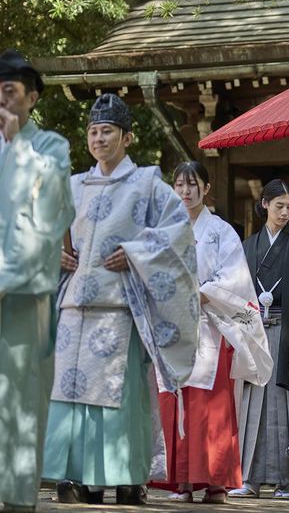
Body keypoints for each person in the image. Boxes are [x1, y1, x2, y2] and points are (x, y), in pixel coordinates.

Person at [42, 93, 200, 506]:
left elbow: (178, 232)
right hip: (74, 306)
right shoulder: (73, 186)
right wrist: (52, 253)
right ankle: (74, 476)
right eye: (93, 131)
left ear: (127, 137)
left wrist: (136, 251)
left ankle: (130, 477)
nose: (98, 138)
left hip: (120, 307)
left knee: (122, 397)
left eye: (107, 131)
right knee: (70, 394)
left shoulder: (148, 183)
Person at [154, 161, 272, 503]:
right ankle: (183, 481)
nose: (186, 191)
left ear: (206, 189)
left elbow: (234, 279)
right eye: (180, 185)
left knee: (210, 404)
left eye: (193, 184)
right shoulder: (165, 229)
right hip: (175, 327)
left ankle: (216, 481)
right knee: (178, 400)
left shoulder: (221, 231)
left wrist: (201, 293)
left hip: (209, 325)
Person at [0, 50, 74, 513]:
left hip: (24, 293)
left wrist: (17, 147)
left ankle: (17, 497)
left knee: (22, 398)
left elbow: (53, 213)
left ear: (31, 97)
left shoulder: (50, 147)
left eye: (9, 91)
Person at [229, 179, 289, 500]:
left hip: (287, 331)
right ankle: (250, 478)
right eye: (279, 206)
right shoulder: (246, 247)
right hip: (253, 331)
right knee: (252, 400)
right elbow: (236, 292)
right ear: (265, 204)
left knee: (285, 402)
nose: (285, 213)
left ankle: (284, 480)